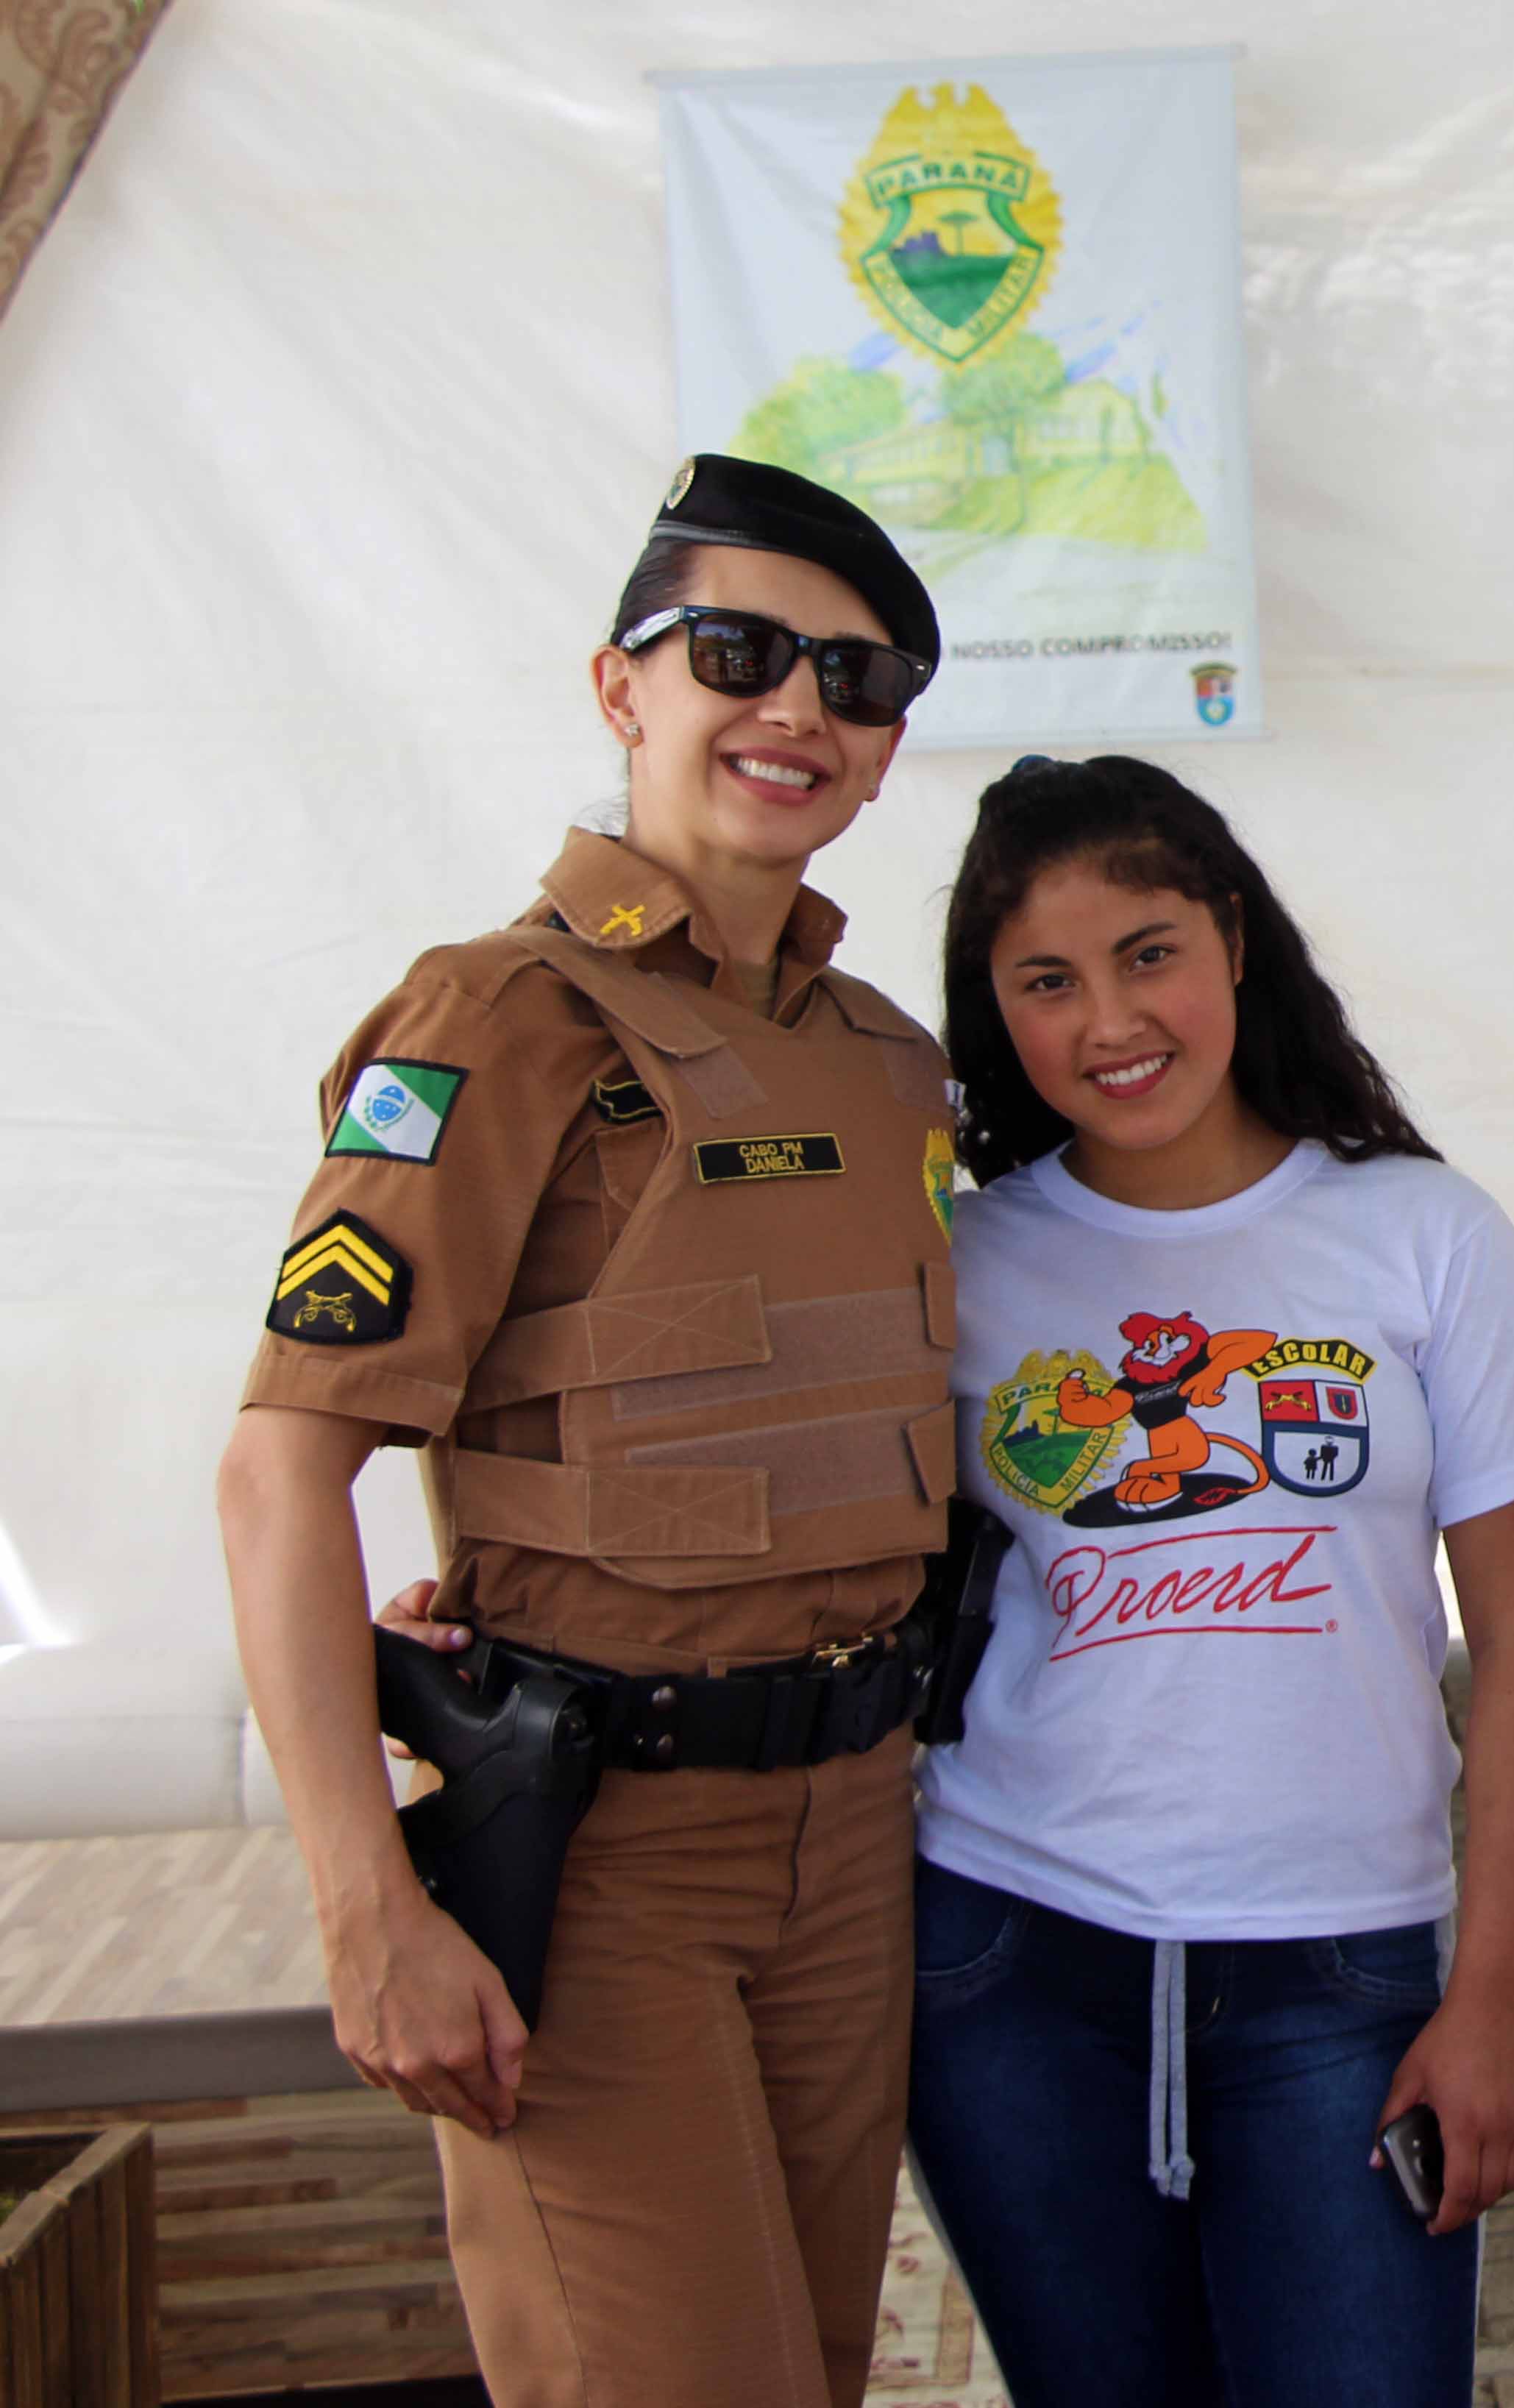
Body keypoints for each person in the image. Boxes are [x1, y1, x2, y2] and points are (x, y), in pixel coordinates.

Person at [216, 455, 952, 2407]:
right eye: (738, 652)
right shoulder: (493, 1021)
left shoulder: (889, 1063)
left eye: (858, 680)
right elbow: (282, 1467)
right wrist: (368, 1901)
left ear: (887, 754)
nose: (797, 707)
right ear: (621, 688)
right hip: (608, 1857)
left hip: (856, 1828)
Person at [901, 754, 1514, 2407]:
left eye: (1147, 950)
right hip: (1012, 1967)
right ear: (993, 1008)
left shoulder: (1423, 1232)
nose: (1108, 1019)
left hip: (1341, 1976)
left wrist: (1490, 1996)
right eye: (1046, 980)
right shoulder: (961, 1259)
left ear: (1231, 936)